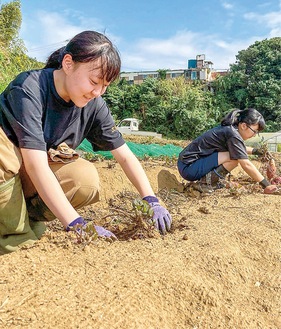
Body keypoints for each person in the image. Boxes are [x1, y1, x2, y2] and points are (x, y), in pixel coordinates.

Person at [0, 30, 172, 255]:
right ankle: (14, 239)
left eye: (105, 86)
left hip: (25, 176)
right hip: (9, 167)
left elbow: (125, 156)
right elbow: (35, 165)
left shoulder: (93, 104)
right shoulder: (29, 88)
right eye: (94, 81)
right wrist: (76, 224)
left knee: (84, 178)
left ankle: (26, 220)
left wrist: (151, 200)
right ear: (68, 63)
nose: (98, 92)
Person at [177, 108, 278, 194]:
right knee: (234, 158)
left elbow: (239, 148)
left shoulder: (231, 130)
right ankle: (205, 184)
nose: (255, 135)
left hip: (186, 164)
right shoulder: (233, 134)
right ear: (243, 126)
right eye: (255, 131)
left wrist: (257, 151)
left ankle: (210, 181)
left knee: (234, 154)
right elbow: (245, 164)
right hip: (189, 168)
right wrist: (266, 185)